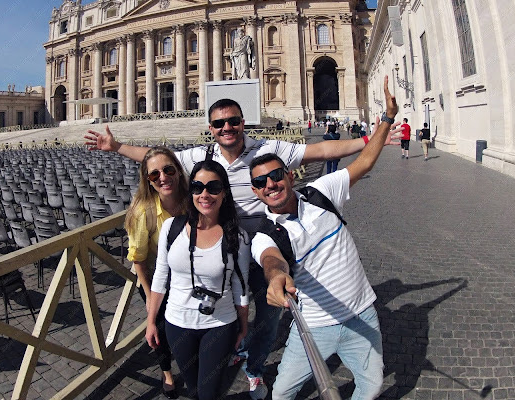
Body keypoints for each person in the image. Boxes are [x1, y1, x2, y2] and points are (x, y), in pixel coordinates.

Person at [85, 98, 400, 399]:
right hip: (224, 253)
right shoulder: (202, 155)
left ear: (242, 122)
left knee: (267, 322)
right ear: (211, 128)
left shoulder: (267, 149)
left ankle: (254, 368)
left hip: (266, 245)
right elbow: (161, 162)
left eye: (233, 121)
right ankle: (228, 352)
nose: (227, 127)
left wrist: (369, 140)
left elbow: (320, 150)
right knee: (230, 315)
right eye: (219, 123)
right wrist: (116, 146)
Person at [250, 74, 398, 400]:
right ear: (255, 191)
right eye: (261, 182)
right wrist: (276, 278)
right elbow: (271, 260)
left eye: (275, 176)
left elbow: (364, 162)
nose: (270, 185)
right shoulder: (264, 234)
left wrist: (387, 118)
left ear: (290, 176)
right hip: (314, 325)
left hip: (362, 313)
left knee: (371, 386)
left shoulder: (321, 192)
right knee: (282, 393)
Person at [146, 160, 250, 400]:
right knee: (193, 389)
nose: (205, 194)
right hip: (177, 323)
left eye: (213, 187)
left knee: (208, 393)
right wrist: (151, 321)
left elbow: (240, 286)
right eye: (197, 187)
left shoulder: (238, 237)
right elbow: (160, 277)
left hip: (219, 324)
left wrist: (243, 327)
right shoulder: (171, 227)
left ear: (224, 192)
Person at [126, 147, 188, 398]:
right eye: (154, 174)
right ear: (148, 180)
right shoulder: (144, 212)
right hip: (154, 280)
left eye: (168, 170)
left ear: (178, 171)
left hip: (186, 277)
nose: (163, 177)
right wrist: (150, 296)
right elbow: (139, 261)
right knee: (160, 329)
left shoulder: (192, 199)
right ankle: (167, 373)